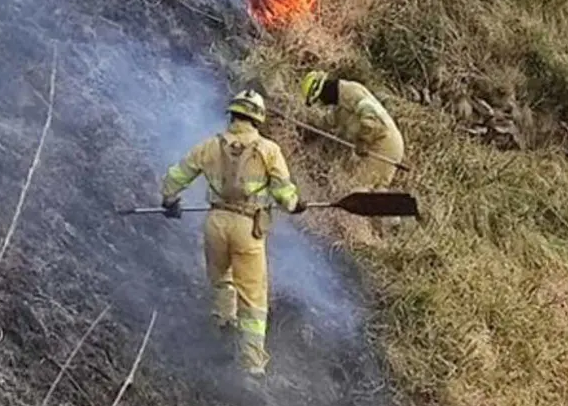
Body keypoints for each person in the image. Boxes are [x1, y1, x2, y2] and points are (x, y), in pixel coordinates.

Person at [160, 89, 307, 378]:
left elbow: (177, 175)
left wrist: (169, 200)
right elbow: (284, 194)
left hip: (215, 223)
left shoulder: (210, 146)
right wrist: (295, 204)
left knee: (221, 281)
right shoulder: (268, 150)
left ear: (232, 115)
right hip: (247, 227)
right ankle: (252, 363)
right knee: (252, 297)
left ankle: (223, 330)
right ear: (258, 119)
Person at [299, 70, 406, 236]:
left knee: (357, 186)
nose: (321, 103)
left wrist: (363, 140)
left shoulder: (351, 92)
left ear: (321, 92)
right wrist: (307, 130)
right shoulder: (340, 105)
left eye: (319, 99)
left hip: (383, 144)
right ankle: (388, 228)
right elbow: (328, 122)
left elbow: (370, 117)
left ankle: (361, 231)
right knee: (376, 187)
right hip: (385, 143)